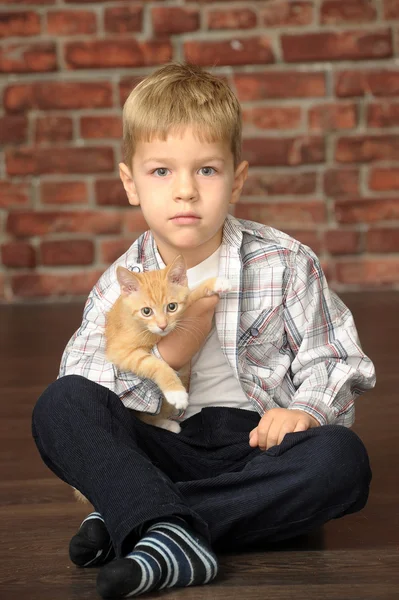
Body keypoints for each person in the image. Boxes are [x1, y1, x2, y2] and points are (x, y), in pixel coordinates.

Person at [31, 61, 376, 599]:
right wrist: (171, 354)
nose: (186, 191)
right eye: (162, 172)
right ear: (131, 184)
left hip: (258, 448)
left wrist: (305, 411)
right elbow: (91, 384)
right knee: (61, 405)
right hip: (165, 444)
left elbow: (336, 361)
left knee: (342, 461)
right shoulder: (119, 286)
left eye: (207, 171)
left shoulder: (284, 262)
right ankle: (170, 518)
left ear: (236, 179)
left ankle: (142, 519)